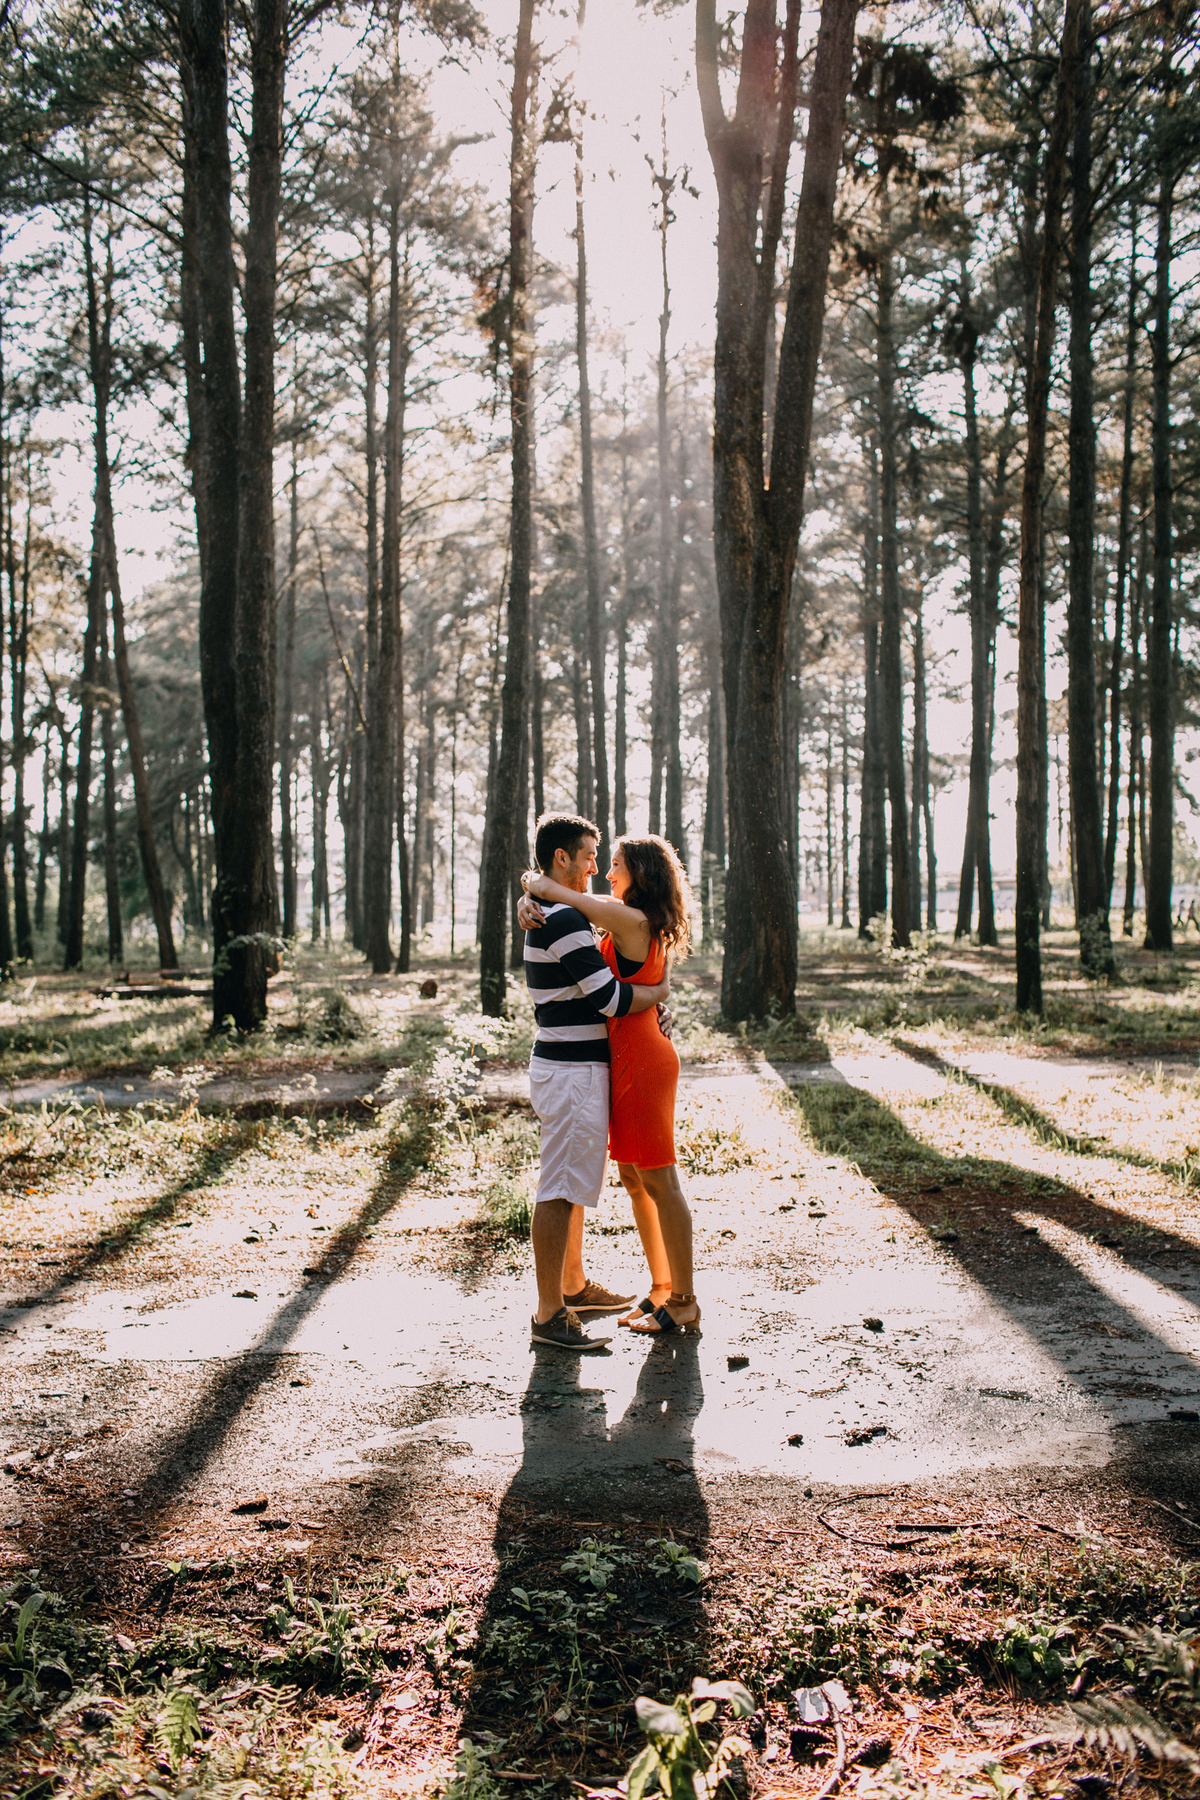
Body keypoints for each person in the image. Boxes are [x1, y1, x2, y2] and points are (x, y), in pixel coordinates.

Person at [519, 833, 700, 1336]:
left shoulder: (630, 919)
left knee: (659, 1180)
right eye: (600, 859)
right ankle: (661, 1289)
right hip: (621, 1056)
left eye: (615, 863)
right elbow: (567, 898)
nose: (605, 870)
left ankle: (683, 1299)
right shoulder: (622, 914)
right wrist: (530, 892)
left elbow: (568, 896)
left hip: (640, 1057)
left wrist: (537, 889)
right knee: (636, 1179)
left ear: (640, 874)